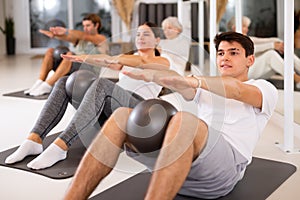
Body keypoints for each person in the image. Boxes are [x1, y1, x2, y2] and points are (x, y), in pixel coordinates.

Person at [63, 32, 278, 200]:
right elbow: (178, 80)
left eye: (233, 52)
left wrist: (193, 80)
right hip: (179, 166)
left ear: (250, 60)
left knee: (185, 119)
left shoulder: (263, 88)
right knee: (121, 117)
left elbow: (236, 90)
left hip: (222, 171)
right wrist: (159, 76)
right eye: (221, 53)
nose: (224, 58)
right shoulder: (204, 88)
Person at [5, 22, 170, 170]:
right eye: (138, 34)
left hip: (138, 111)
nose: (140, 37)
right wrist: (84, 58)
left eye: (146, 34)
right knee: (64, 82)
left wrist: (120, 58)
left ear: (157, 40)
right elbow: (107, 60)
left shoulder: (163, 60)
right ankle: (34, 140)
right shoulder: (129, 58)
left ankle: (61, 147)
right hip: (111, 108)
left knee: (102, 84)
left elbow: (142, 63)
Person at [25, 13, 108, 96]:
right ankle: (40, 82)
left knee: (70, 55)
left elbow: (84, 36)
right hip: (73, 67)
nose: (85, 28)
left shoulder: (101, 39)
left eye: (88, 25)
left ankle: (47, 85)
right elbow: (67, 37)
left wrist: (66, 30)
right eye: (84, 26)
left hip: (90, 71)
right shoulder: (80, 40)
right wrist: (55, 35)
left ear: (96, 25)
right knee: (50, 51)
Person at [227, 16, 300, 88]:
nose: (247, 29)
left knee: (281, 52)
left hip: (251, 70)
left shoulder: (245, 38)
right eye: (244, 26)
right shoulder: (231, 41)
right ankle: (296, 78)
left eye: (247, 27)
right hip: (244, 72)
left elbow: (262, 40)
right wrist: (273, 45)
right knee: (270, 55)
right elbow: (252, 49)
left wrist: (278, 42)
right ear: (234, 27)